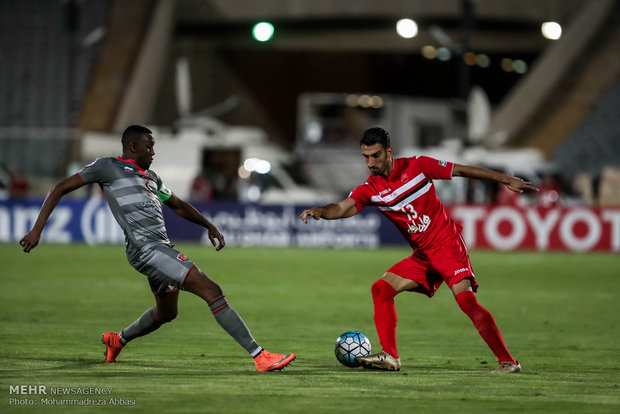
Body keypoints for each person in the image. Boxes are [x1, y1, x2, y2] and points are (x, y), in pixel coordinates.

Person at [20, 125, 295, 372]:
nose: (153, 151)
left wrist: (208, 224)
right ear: (132, 147)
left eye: (154, 146)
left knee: (167, 313)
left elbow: (177, 205)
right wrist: (37, 229)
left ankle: (117, 340)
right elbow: (59, 188)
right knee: (211, 290)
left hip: (159, 247)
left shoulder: (151, 177)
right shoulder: (107, 167)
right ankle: (260, 356)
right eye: (149, 146)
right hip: (146, 250)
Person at [300, 127, 537, 373]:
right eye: (366, 157)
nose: (370, 163)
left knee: (466, 301)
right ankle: (390, 356)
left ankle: (507, 361)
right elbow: (340, 208)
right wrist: (321, 211)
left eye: (376, 156)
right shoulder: (370, 189)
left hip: (446, 246)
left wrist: (505, 179)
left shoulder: (418, 166)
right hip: (423, 256)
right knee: (381, 289)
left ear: (389, 152)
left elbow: (462, 170)